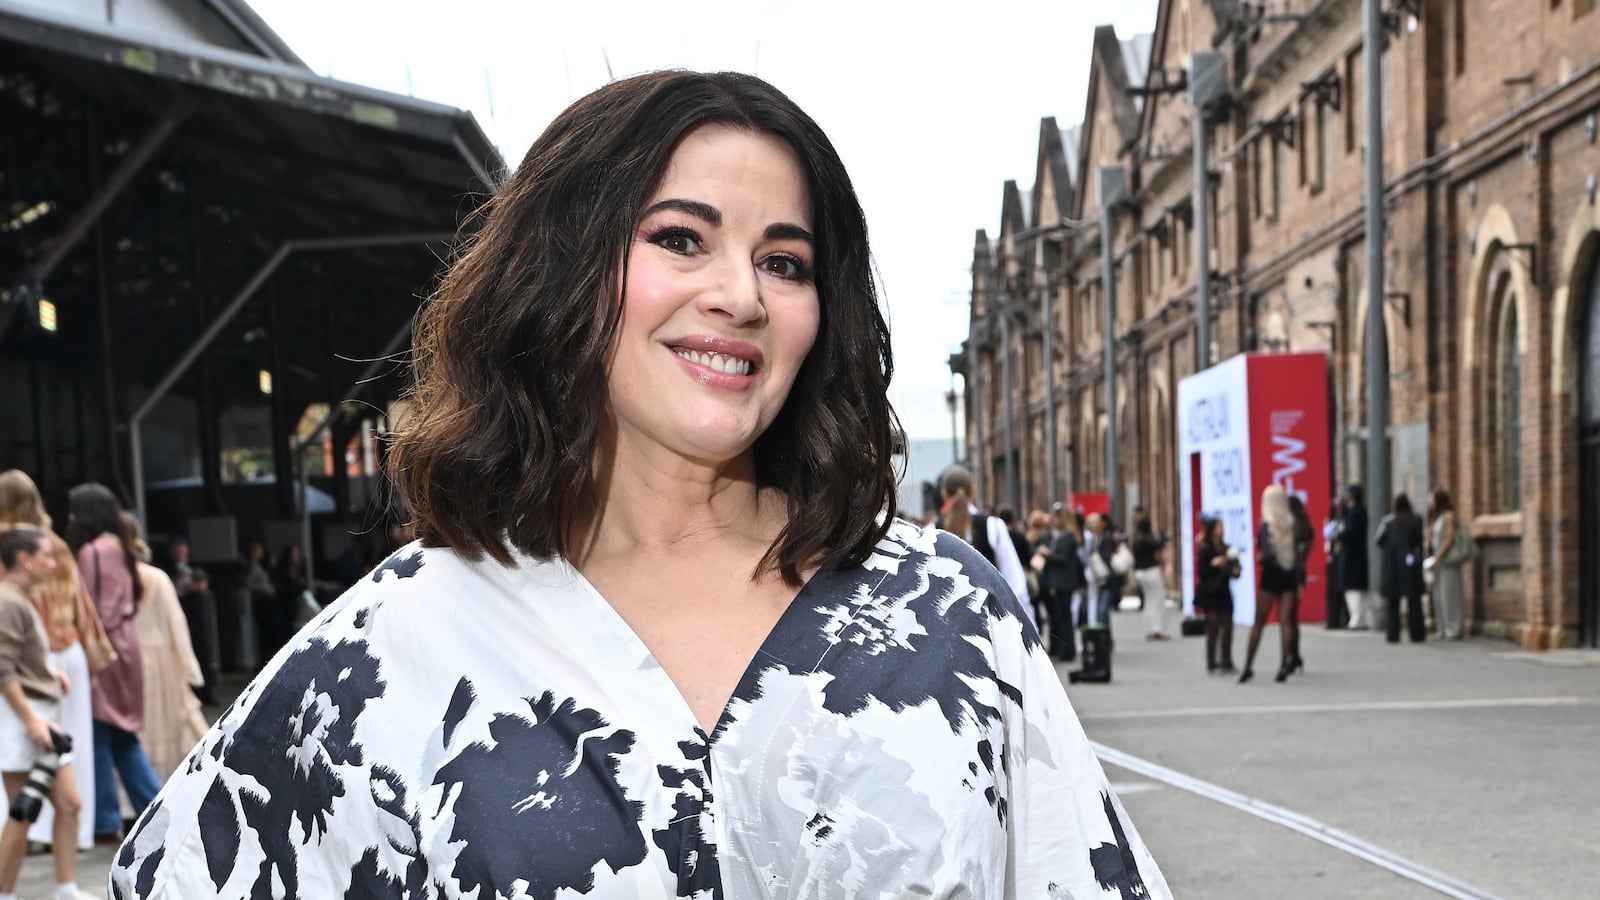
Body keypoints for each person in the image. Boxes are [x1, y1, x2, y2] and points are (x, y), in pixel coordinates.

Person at [108, 71, 1166, 897]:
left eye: (785, 261)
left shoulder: (944, 613)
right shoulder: (397, 646)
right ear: (560, 269)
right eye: (679, 239)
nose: (740, 295)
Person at [0, 470, 108, 856]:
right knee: (69, 749)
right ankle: (70, 835)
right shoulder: (55, 546)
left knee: (11, 755)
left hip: (17, 660)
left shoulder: (7, 548)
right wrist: (96, 654)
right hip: (61, 653)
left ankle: (20, 835)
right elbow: (82, 608)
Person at [0, 524, 96, 900]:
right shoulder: (8, 601)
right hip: (24, 719)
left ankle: (65, 887)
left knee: (67, 804)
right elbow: (2, 668)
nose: (53, 563)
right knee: (23, 811)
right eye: (46, 555)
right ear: (25, 559)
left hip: (34, 715)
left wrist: (45, 670)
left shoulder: (17, 598)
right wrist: (31, 720)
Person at [65, 484, 160, 844]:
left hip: (103, 651)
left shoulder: (92, 552)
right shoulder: (117, 547)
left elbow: (92, 610)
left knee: (101, 736)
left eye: (74, 510)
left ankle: (106, 821)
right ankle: (153, 808)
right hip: (123, 646)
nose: (70, 517)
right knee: (120, 737)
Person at [123, 514, 208, 783]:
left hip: (127, 660)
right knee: (174, 724)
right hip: (161, 659)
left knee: (141, 730)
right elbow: (176, 625)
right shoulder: (156, 577)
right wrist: (190, 669)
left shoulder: (110, 580)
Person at [935, 467, 1034, 626]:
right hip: (989, 622)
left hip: (946, 624)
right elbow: (1014, 581)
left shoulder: (932, 529)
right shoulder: (993, 526)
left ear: (944, 494)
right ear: (972, 492)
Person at [1240, 485, 1301, 683]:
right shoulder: (1292, 524)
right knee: (1286, 621)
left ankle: (1248, 665)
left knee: (1259, 622)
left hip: (1271, 575)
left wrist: (1259, 554)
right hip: (1289, 574)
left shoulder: (1266, 525)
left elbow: (1266, 554)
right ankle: (1284, 664)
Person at [1377, 494, 1427, 644]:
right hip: (1410, 566)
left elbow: (1378, 540)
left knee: (1393, 604)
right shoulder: (1416, 520)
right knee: (1414, 602)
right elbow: (1419, 541)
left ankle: (1393, 634)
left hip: (1392, 566)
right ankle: (1417, 633)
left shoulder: (1388, 522)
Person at [1036, 505, 1084, 661]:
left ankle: (1067, 650)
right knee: (1063, 617)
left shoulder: (1066, 536)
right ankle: (1065, 649)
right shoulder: (1067, 536)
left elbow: (1062, 559)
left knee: (1064, 618)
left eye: (1055, 518)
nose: (1053, 521)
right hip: (1063, 581)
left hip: (1062, 582)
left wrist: (1047, 554)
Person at [1194, 513, 1238, 674]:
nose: (1221, 530)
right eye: (1218, 526)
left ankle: (1226, 660)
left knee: (1227, 626)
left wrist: (1233, 569)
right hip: (1210, 591)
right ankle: (1211, 661)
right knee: (1213, 625)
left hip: (1223, 591)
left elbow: (1234, 569)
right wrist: (1214, 564)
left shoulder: (1227, 548)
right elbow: (1202, 571)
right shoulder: (1205, 549)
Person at [1424, 489, 1466, 640]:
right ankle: (1442, 628)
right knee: (1438, 596)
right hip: (1437, 563)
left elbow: (1449, 539)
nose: (1429, 502)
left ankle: (1454, 629)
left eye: (1432, 499)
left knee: (1450, 595)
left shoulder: (1448, 516)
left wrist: (1437, 557)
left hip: (1447, 560)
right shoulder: (1435, 518)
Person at [176, 569, 220, 707]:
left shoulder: (206, 597)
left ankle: (206, 694)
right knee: (196, 665)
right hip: (194, 636)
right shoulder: (188, 598)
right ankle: (198, 694)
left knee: (206, 665)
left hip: (204, 636)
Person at [1341, 484, 1375, 630]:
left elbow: (1349, 533)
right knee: (1360, 590)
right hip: (1358, 553)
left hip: (1353, 555)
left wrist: (1339, 535)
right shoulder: (1358, 511)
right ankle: (1362, 618)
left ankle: (1357, 619)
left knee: (1353, 589)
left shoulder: (1354, 513)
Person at [1130, 516, 1169, 640]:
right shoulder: (1145, 539)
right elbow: (1157, 545)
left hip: (1141, 572)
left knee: (1148, 600)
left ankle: (1149, 627)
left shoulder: (1136, 538)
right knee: (1156, 599)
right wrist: (1162, 536)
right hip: (1151, 571)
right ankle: (1156, 628)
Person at [1323, 498, 1347, 629]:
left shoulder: (1345, 522)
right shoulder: (1330, 523)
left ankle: (1345, 618)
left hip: (1343, 557)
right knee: (1332, 590)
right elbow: (1328, 537)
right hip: (1332, 558)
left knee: (1343, 590)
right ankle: (1333, 620)